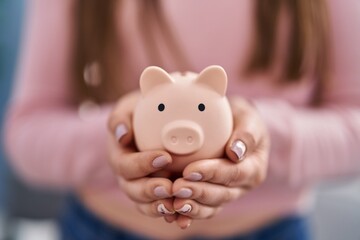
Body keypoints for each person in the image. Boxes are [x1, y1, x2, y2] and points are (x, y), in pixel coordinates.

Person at [3, 0, 360, 239]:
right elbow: (28, 133)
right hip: (102, 227)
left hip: (271, 229)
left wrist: (268, 137)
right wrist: (121, 139)